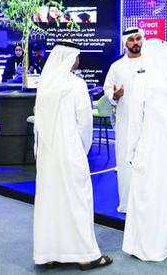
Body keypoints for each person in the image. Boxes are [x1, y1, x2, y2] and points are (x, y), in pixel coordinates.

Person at [32, 41, 113, 270]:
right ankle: (86, 256)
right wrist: (81, 149)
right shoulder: (77, 84)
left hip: (47, 154)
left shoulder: (45, 84)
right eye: (77, 56)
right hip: (69, 151)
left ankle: (49, 254)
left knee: (50, 201)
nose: (78, 60)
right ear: (71, 59)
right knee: (78, 200)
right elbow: (85, 123)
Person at [123, 39, 167, 261]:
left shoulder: (142, 80)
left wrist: (130, 152)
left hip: (148, 146)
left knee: (147, 194)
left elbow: (135, 122)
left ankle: (146, 247)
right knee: (166, 193)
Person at [103, 27, 147, 213]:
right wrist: (115, 95)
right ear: (125, 43)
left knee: (146, 162)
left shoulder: (151, 63)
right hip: (125, 121)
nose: (135, 42)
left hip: (148, 122)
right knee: (124, 161)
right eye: (131, 40)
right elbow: (107, 89)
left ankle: (146, 204)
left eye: (138, 38)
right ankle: (127, 204)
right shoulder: (117, 66)